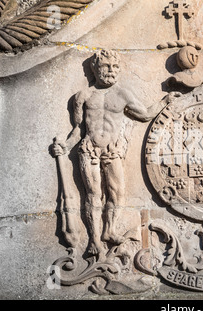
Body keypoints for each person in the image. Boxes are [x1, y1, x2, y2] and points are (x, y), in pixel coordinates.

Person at [52, 49, 180, 259]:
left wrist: (165, 101)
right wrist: (65, 146)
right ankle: (94, 240)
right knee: (93, 195)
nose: (111, 71)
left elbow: (145, 114)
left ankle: (109, 229)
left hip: (113, 150)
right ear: (95, 69)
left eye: (115, 67)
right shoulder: (83, 96)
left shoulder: (123, 94)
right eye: (106, 67)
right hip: (89, 149)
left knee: (116, 192)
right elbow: (78, 129)